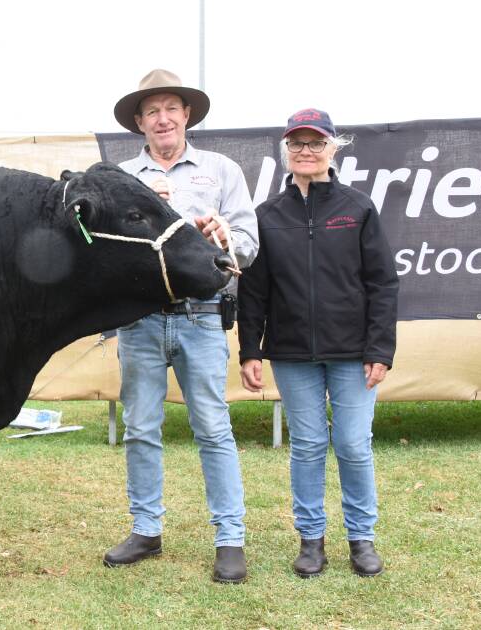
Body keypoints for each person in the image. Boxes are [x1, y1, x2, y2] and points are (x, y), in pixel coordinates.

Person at [104, 69, 258, 583]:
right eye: (152, 111)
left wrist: (222, 241)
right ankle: (146, 530)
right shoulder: (123, 176)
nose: (163, 118)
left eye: (171, 108)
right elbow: (102, 254)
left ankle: (229, 539)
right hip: (141, 320)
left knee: (213, 429)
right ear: (139, 123)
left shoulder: (221, 169)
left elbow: (249, 243)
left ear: (187, 115)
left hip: (202, 316)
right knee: (141, 429)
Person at [238, 108, 398, 578]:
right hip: (291, 355)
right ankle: (311, 541)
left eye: (315, 143)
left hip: (353, 354)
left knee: (353, 445)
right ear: (285, 152)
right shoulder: (265, 215)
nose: (305, 152)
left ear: (333, 147)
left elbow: (382, 284)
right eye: (296, 144)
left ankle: (361, 539)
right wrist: (251, 349)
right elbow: (254, 290)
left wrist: (380, 350)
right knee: (307, 446)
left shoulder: (358, 208)